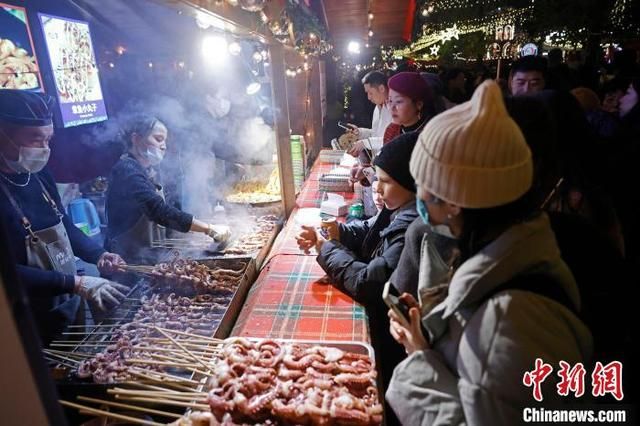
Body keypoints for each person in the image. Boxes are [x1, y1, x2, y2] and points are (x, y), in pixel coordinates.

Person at [385, 81, 592, 424]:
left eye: (422, 183)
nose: (418, 197)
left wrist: (419, 358)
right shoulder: (500, 258)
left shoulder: (514, 321)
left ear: (451, 201)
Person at [0, 90, 129, 344]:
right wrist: (75, 282)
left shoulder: (38, 174)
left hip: (66, 302)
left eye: (49, 140)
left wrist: (97, 254)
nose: (44, 149)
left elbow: (62, 223)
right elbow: (6, 273)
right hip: (25, 320)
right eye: (35, 139)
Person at [105, 115, 230, 264]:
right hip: (126, 260)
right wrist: (208, 229)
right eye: (158, 139)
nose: (163, 146)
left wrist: (190, 235)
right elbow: (157, 210)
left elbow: (168, 210)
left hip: (148, 254)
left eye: (164, 141)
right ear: (136, 139)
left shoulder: (147, 170)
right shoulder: (127, 169)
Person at [346, 71, 392, 157]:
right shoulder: (377, 108)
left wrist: (364, 143)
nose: (368, 97)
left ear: (382, 88)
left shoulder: (394, 110)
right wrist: (360, 132)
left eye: (370, 93)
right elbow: (375, 134)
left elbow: (391, 140)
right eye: (367, 93)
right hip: (377, 162)